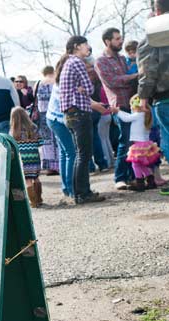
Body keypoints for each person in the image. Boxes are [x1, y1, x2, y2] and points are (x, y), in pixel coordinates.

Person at [58, 35, 105, 204]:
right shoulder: (77, 62)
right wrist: (82, 89)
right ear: (77, 46)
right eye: (86, 44)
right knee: (84, 154)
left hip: (70, 114)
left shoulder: (67, 63)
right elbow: (89, 87)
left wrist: (82, 89)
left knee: (80, 154)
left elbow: (84, 89)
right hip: (79, 113)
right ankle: (83, 193)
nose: (89, 47)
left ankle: (79, 192)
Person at [95, 27, 139, 190]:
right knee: (124, 140)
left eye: (120, 38)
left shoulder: (122, 58)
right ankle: (119, 177)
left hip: (132, 104)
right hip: (118, 106)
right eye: (117, 39)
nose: (121, 41)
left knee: (134, 141)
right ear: (108, 41)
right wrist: (133, 76)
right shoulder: (101, 61)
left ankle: (133, 175)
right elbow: (112, 81)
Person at [138, 0, 169, 194]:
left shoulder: (152, 37)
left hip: (164, 98)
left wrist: (143, 97)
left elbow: (148, 70)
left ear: (156, 10)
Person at [112, 95, 161, 191]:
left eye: (131, 105)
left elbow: (127, 118)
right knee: (141, 164)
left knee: (135, 164)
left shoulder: (138, 115)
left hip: (139, 145)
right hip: (146, 145)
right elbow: (129, 116)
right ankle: (151, 180)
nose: (130, 108)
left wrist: (117, 112)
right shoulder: (146, 115)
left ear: (136, 106)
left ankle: (140, 183)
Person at [46, 79, 76, 199]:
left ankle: (67, 188)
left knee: (64, 153)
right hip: (58, 120)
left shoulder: (59, 82)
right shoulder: (62, 84)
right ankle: (71, 188)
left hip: (53, 119)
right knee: (71, 153)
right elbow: (70, 101)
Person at [10, 106, 43, 207]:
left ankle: (33, 202)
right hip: (34, 157)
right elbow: (41, 142)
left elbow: (12, 147)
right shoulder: (33, 127)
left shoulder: (13, 131)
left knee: (28, 180)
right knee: (36, 178)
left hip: (23, 159)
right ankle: (39, 199)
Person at [34, 66, 59, 174]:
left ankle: (49, 166)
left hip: (43, 114)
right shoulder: (56, 82)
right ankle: (59, 165)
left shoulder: (38, 83)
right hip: (56, 112)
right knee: (58, 139)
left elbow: (34, 98)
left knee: (46, 141)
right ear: (53, 71)